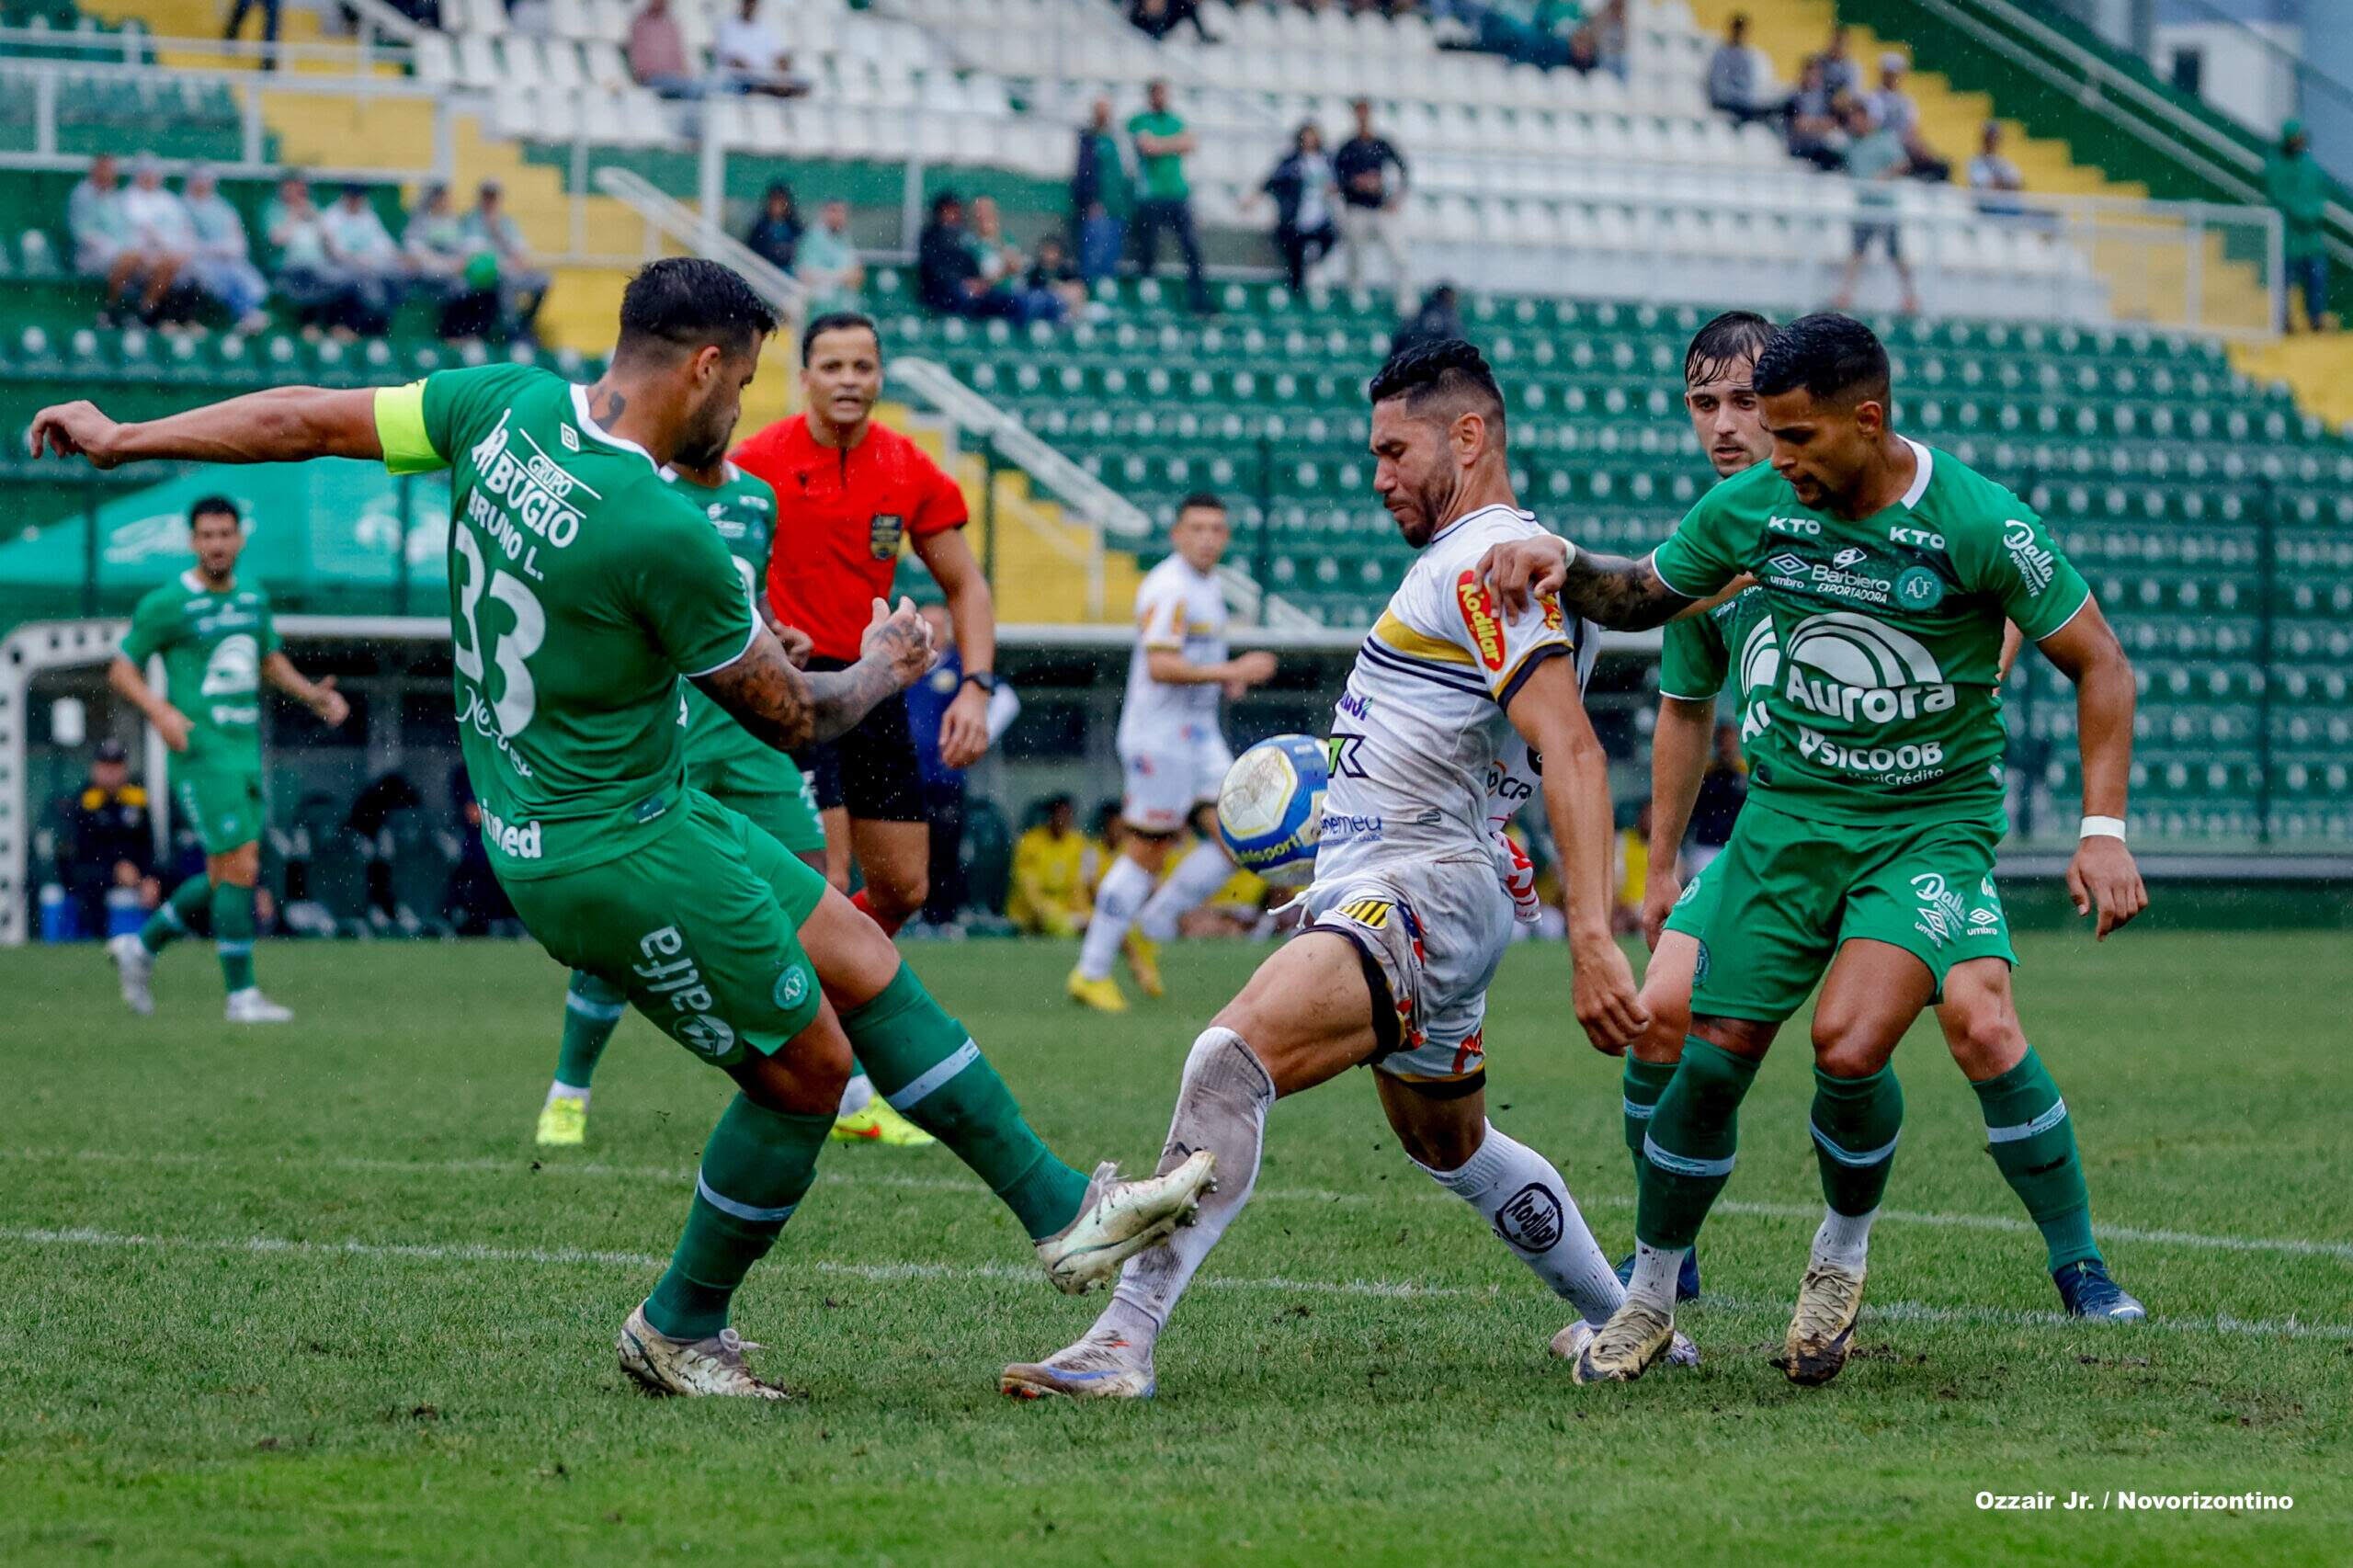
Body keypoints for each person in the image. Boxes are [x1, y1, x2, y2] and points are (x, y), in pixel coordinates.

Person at [30, 257, 1217, 1400]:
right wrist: (887, 661)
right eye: (747, 380)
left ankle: (1064, 1211)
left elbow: (301, 420)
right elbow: (800, 717)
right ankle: (677, 1327)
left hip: (638, 800)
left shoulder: (502, 405)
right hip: (600, 847)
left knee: (861, 957)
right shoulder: (661, 528)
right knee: (807, 1075)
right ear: (705, 367)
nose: (745, 404)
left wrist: (130, 436)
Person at [1477, 312, 2150, 1386]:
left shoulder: (1977, 521)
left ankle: (1839, 1256)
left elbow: (2101, 665)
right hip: (1787, 824)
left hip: (1924, 828)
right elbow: (1639, 596)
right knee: (1708, 1047)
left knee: (1850, 1042)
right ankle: (1648, 1294)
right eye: (1756, 428)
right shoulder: (1753, 509)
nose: (1769, 453)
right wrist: (1563, 560)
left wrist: (2101, 831)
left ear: (1866, 420)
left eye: (1792, 435)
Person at [1004, 340, 1673, 1401]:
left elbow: (1574, 746)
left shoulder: (1484, 559)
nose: (1376, 475)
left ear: (1468, 434)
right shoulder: (1495, 555)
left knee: (1228, 1059)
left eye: (1393, 449)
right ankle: (1629, 1319)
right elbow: (1521, 709)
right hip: (1429, 879)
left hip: (1417, 890)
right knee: (1450, 1143)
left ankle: (1120, 1339)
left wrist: (1591, 931)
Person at [535, 447, 930, 1149]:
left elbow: (748, 607)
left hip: (754, 735)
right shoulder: (639, 494)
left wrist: (779, 638)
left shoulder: (758, 498)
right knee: (624, 923)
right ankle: (568, 1091)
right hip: (670, 731)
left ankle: (853, 1097)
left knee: (817, 901)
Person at [733, 312, 1000, 937]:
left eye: (862, 366)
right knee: (823, 879)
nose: (848, 380)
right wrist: (766, 626)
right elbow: (720, 573)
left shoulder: (908, 467)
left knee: (903, 888)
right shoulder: (756, 463)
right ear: (805, 378)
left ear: (880, 376)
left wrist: (976, 687)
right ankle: (806, 1025)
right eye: (832, 366)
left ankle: (825, 1000)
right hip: (788, 688)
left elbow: (967, 585)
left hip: (872, 685)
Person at [100, 495, 349, 1024]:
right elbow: (122, 670)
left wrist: (312, 695)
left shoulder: (252, 597)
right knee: (239, 867)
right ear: (192, 542)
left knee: (229, 873)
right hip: (200, 751)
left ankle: (140, 948)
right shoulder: (168, 603)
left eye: (225, 534)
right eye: (207, 535)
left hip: (243, 751)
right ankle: (242, 997)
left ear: (239, 539)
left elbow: (267, 660)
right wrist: (160, 711)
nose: (216, 544)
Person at [1067, 494, 1275, 1013]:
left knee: (1241, 839)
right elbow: (1161, 665)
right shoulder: (1169, 587)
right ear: (1176, 535)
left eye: (1217, 529)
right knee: (1147, 851)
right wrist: (1232, 671)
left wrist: (1221, 683)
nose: (1208, 537)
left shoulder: (1207, 588)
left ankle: (1149, 924)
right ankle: (1091, 971)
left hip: (1198, 734)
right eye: (1197, 528)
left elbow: (1192, 660)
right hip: (1159, 737)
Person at [50, 738, 157, 941]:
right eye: (106, 766)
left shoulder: (137, 798)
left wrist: (148, 876)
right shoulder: (83, 801)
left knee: (170, 877)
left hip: (134, 874)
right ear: (95, 768)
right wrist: (115, 870)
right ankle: (97, 939)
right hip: (97, 872)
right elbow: (80, 853)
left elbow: (147, 847)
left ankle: (177, 937)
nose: (111, 773)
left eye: (116, 766)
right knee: (89, 883)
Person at [1128, 80, 1212, 315]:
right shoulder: (1140, 120)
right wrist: (1174, 144)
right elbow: (1148, 147)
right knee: (1148, 249)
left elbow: (1189, 144)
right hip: (1151, 195)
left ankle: (1199, 301)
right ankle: (1145, 301)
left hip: (1177, 193)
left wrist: (1161, 144)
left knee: (1192, 249)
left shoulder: (1175, 120)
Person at [1831, 99, 1920, 316]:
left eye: (1857, 117)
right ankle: (1846, 294)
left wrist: (1884, 175)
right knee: (1857, 252)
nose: (1854, 122)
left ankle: (1910, 296)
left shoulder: (1885, 139)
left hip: (1884, 207)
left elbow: (1904, 164)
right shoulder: (1851, 144)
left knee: (1896, 254)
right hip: (1864, 207)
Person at [72, 153, 177, 327]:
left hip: (122, 252)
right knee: (131, 257)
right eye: (106, 170)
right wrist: (118, 248)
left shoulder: (115, 196)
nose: (110, 174)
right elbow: (82, 233)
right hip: (92, 255)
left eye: (112, 170)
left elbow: (127, 231)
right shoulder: (83, 194)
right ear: (95, 170)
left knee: (165, 263)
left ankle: (143, 314)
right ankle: (111, 309)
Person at [1333, 98, 1411, 307]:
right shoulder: (1348, 146)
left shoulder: (1382, 144)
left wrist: (1396, 197)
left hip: (1381, 207)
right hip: (1358, 207)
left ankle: (1404, 299)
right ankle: (1356, 293)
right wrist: (1355, 184)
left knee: (1399, 255)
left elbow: (1403, 170)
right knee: (1356, 254)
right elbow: (1336, 177)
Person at [181, 165, 271, 334]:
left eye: (207, 181)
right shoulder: (182, 206)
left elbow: (238, 242)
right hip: (198, 259)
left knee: (240, 273)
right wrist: (214, 249)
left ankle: (248, 315)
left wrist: (226, 250)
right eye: (199, 181)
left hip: (226, 259)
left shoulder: (223, 208)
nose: (203, 185)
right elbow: (186, 242)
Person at [1253, 122, 1339, 293]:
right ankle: (1297, 289)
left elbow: (1338, 182)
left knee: (1330, 238)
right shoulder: (1292, 162)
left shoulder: (1326, 160)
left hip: (1319, 215)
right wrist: (1256, 197)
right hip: (1297, 216)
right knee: (1294, 253)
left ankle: (1309, 270)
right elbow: (1272, 180)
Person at [2265, 119, 2333, 335]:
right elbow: (2279, 196)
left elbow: (2319, 198)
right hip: (2287, 237)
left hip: (2310, 238)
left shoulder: (2311, 167)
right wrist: (2301, 210)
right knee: (2283, 281)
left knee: (2317, 278)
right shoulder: (2275, 165)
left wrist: (2310, 212)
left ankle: (2316, 318)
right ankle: (2283, 320)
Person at [458, 182, 549, 341]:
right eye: (487, 196)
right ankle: (511, 330)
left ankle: (524, 322)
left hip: (509, 269)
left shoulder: (507, 223)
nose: (490, 201)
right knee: (507, 281)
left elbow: (521, 255)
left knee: (543, 280)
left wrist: (498, 233)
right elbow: (473, 254)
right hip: (487, 273)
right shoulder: (470, 221)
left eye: (493, 197)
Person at [265, 175, 352, 335]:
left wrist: (318, 219)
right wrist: (294, 216)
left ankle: (335, 327)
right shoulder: (275, 210)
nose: (299, 193)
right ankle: (310, 326)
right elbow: (277, 240)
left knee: (346, 279)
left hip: (320, 267)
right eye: (294, 189)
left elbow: (333, 249)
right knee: (312, 276)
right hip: (289, 268)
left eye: (302, 189)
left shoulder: (314, 212)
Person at [321, 183, 404, 335]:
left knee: (397, 273)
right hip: (342, 267)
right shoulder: (331, 216)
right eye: (353, 196)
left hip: (371, 267)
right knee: (366, 285)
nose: (356, 200)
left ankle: (377, 328)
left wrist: (400, 258)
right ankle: (352, 328)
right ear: (345, 197)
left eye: (359, 197)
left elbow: (385, 245)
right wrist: (358, 259)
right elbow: (335, 253)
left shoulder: (368, 216)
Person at [969, 195, 1066, 325]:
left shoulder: (1007, 240)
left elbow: (1022, 266)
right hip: (994, 298)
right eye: (980, 212)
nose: (985, 216)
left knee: (1052, 298)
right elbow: (978, 283)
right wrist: (1005, 270)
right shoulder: (972, 244)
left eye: (988, 211)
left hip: (1018, 292)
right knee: (1030, 302)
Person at [916, 191, 1011, 321]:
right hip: (941, 291)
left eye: (955, 211)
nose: (952, 215)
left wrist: (977, 282)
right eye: (948, 211)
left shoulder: (964, 236)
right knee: (963, 296)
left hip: (969, 287)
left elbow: (971, 264)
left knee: (1001, 299)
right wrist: (962, 282)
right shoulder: (931, 237)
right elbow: (935, 270)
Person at [1008, 794, 1090, 937]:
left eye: (1068, 815)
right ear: (1050, 817)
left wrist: (1083, 913)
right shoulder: (1030, 842)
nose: (1063, 820)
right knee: (1055, 922)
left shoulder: (1078, 843)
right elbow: (1030, 892)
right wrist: (1049, 911)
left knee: (1094, 919)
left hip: (1067, 913)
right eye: (1060, 815)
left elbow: (1079, 887)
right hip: (1032, 915)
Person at [1071, 97, 1130, 288]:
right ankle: (1090, 293)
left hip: (1116, 208)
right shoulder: (1089, 140)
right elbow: (1083, 172)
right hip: (1098, 208)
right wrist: (1089, 201)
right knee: (1093, 256)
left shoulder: (1115, 140)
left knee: (1111, 257)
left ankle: (1105, 296)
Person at [1868, 52, 1949, 182]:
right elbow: (1874, 127)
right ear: (1883, 74)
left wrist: (1921, 148)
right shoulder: (1873, 98)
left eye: (1897, 73)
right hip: (1886, 145)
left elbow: (1913, 129)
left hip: (1903, 145)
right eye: (1891, 73)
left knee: (1941, 167)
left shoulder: (1906, 101)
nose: (1894, 77)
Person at [713, 0, 811, 97]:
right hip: (740, 80)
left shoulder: (765, 27)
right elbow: (734, 61)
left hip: (766, 79)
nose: (751, 5)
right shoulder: (727, 26)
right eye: (748, 2)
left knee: (803, 86)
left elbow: (780, 56)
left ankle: (780, 92)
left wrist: (781, 78)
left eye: (754, 2)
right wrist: (760, 77)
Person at [1705, 13, 1782, 127]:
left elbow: (1753, 85)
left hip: (1744, 103)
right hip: (1727, 103)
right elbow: (1719, 89)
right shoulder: (1720, 54)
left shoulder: (1749, 55)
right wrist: (1742, 98)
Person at [793, 199, 864, 315]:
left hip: (847, 310)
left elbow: (857, 276)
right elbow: (805, 275)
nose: (838, 216)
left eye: (841, 212)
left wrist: (846, 277)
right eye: (833, 211)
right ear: (824, 213)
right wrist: (842, 276)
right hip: (821, 312)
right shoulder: (812, 239)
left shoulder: (845, 239)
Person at [627, 0, 701, 97]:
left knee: (701, 86)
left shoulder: (671, 24)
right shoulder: (640, 23)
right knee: (690, 89)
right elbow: (638, 60)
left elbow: (679, 55)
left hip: (675, 78)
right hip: (652, 77)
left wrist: (684, 73)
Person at [1783, 57, 1847, 172]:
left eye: (1816, 75)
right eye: (1810, 73)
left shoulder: (1824, 97)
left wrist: (1812, 124)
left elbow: (1834, 123)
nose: (1812, 78)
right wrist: (1820, 124)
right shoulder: (1794, 97)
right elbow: (1799, 126)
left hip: (1818, 147)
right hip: (1799, 149)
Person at [1965, 120, 2027, 218]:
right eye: (1991, 138)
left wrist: (2002, 185)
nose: (1994, 141)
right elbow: (1987, 186)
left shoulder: (2003, 162)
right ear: (1984, 139)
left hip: (2008, 208)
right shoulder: (1975, 162)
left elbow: (2019, 184)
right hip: (1988, 210)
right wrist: (2007, 186)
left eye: (1996, 138)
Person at [1390, 281, 1463, 357]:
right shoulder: (1449, 320)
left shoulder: (1417, 317)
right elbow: (1457, 346)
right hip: (1434, 364)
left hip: (1409, 362)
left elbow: (1399, 341)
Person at [743, 182, 801, 274]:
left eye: (781, 201)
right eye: (774, 201)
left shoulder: (795, 227)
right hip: (764, 274)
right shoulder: (759, 228)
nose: (777, 206)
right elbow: (752, 253)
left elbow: (799, 253)